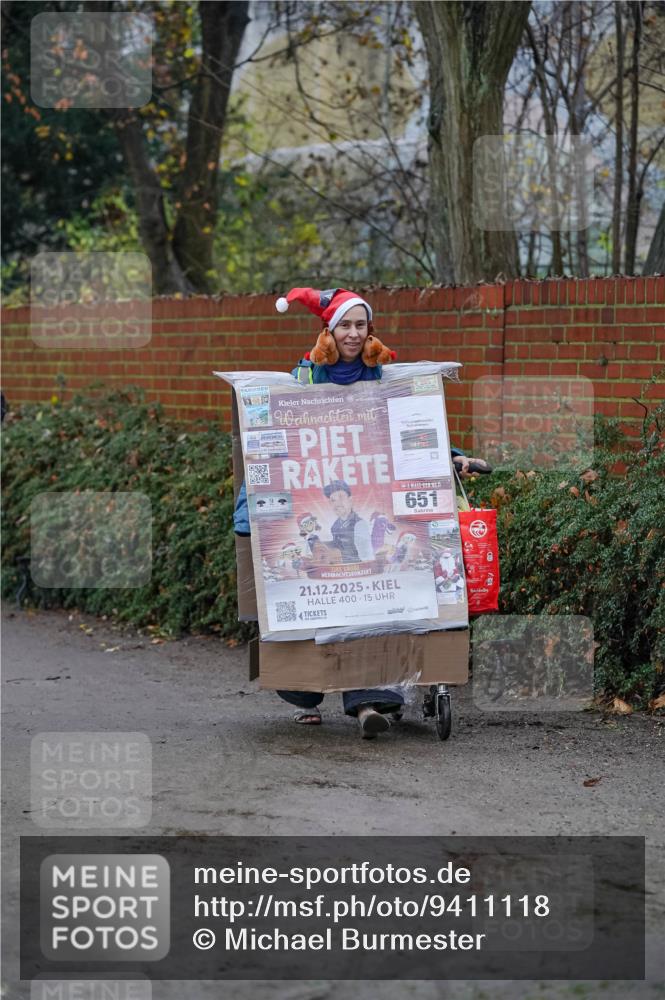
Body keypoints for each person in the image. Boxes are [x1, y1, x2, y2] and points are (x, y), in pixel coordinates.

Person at [233, 286, 481, 739]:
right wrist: (254, 505)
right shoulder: (303, 382)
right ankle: (308, 691)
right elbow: (270, 438)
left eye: (360, 325)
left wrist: (454, 455)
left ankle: (369, 702)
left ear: (370, 332)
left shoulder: (385, 381)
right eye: (344, 325)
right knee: (319, 607)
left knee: (371, 607)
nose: (352, 333)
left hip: (374, 520)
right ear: (328, 331)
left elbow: (413, 427)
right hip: (325, 530)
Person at [323, 479, 373, 562]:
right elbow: (337, 549)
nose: (337, 503)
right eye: (333, 500)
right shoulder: (334, 527)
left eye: (341, 497)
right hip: (342, 569)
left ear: (350, 500)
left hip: (358, 570)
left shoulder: (359, 524)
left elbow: (367, 555)